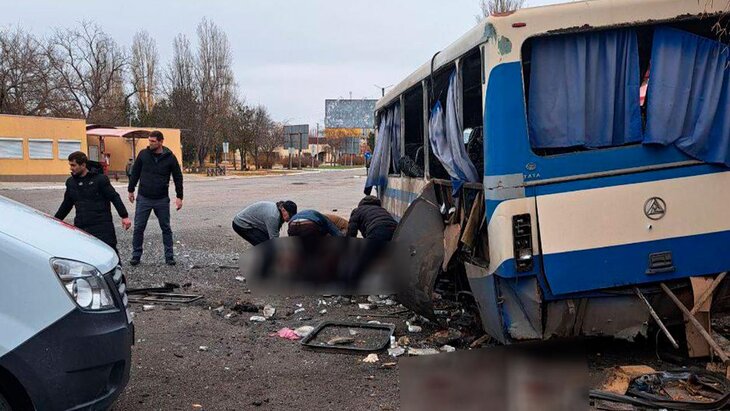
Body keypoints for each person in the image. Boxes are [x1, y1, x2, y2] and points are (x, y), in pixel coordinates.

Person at [55, 151, 131, 254]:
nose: (71, 168)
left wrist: (124, 216)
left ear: (83, 165)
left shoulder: (100, 179)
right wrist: (55, 220)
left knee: (109, 253)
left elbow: (114, 197)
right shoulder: (71, 182)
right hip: (81, 226)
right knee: (86, 255)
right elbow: (66, 204)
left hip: (102, 226)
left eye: (73, 165)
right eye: (70, 165)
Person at [127, 130, 184, 266]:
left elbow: (178, 177)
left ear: (161, 142)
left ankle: (169, 256)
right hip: (144, 198)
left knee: (166, 228)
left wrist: (179, 196)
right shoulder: (143, 154)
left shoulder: (170, 157)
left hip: (161, 199)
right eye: (149, 141)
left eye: (153, 141)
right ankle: (136, 255)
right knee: (139, 227)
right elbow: (135, 173)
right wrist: (131, 189)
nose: (150, 143)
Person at [232, 200, 297, 246]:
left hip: (251, 223)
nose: (291, 218)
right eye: (290, 215)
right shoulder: (274, 217)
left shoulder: (279, 209)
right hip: (241, 224)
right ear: (283, 210)